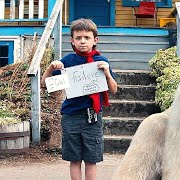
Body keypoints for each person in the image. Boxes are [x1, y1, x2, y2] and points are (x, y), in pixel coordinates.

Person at [41, 18, 117, 180]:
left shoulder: (101, 62)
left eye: (87, 38)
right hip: (71, 117)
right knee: (74, 159)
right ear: (72, 41)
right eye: (78, 38)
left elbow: (113, 90)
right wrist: (50, 68)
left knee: (91, 159)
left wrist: (107, 74)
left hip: (93, 117)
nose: (82, 41)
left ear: (95, 40)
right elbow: (45, 85)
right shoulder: (67, 61)